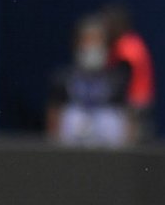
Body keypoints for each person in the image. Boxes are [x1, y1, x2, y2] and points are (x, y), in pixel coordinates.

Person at [46, 16, 133, 147]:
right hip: (72, 145)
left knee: (108, 118)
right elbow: (53, 119)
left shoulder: (117, 80)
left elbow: (127, 120)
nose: (92, 46)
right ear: (77, 44)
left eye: (97, 40)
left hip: (108, 149)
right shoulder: (63, 78)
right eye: (87, 41)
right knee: (73, 116)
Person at [101, 2, 155, 140]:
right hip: (137, 105)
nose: (106, 28)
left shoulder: (126, 47)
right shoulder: (132, 42)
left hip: (133, 108)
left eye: (109, 24)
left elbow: (120, 83)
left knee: (130, 150)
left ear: (119, 25)